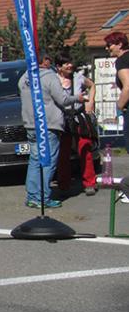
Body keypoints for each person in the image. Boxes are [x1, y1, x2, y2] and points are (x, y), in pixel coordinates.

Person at [19, 54, 86, 208]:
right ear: (45, 61)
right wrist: (78, 98)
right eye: (48, 60)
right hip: (48, 124)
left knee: (35, 160)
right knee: (47, 162)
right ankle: (42, 197)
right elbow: (62, 99)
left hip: (31, 123)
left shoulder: (25, 77)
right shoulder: (50, 76)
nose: (50, 63)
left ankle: (32, 196)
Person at [53, 54, 96, 196]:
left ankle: (89, 182)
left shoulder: (78, 77)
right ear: (59, 67)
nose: (70, 65)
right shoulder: (53, 80)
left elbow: (92, 85)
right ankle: (63, 184)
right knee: (63, 153)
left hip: (78, 117)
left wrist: (90, 102)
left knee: (85, 148)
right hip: (62, 119)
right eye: (66, 63)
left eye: (70, 62)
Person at [105, 31, 129, 149]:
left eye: (109, 45)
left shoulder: (122, 60)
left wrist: (119, 105)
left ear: (119, 44)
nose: (106, 48)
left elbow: (128, 86)